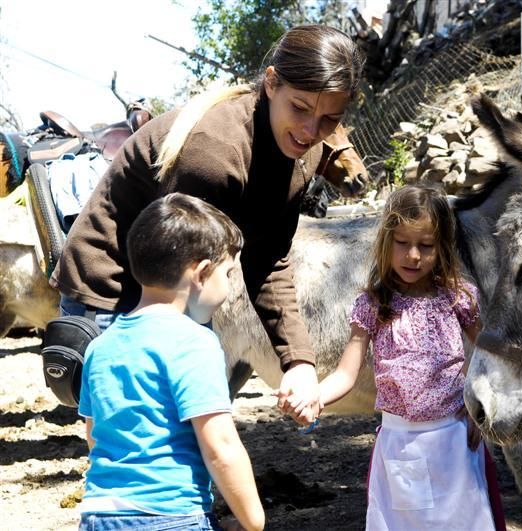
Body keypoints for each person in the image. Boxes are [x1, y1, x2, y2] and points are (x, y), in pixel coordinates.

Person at [50, 25, 365, 418]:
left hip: (182, 280)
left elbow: (269, 257)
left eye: (329, 119)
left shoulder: (304, 152)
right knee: (135, 431)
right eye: (300, 108)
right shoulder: (215, 152)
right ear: (271, 83)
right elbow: (177, 277)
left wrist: (298, 361)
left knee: (179, 424)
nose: (310, 131)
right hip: (116, 282)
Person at [281, 185, 506, 530]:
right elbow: (345, 373)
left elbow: (490, 356)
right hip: (399, 446)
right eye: (402, 243)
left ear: (443, 247)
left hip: (454, 441)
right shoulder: (372, 306)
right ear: (386, 241)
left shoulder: (459, 298)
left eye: (426, 245)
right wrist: (314, 398)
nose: (413, 255)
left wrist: (481, 408)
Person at [78, 193, 264, 530]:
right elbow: (219, 445)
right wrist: (254, 521)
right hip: (171, 514)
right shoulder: (194, 342)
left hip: (100, 513)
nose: (228, 285)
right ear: (202, 272)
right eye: (228, 273)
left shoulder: (100, 346)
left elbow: (95, 436)